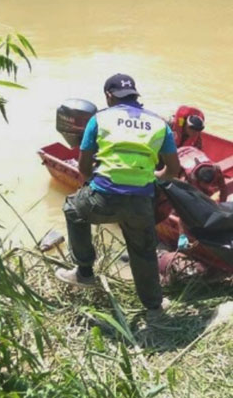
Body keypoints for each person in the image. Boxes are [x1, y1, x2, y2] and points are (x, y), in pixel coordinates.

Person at [55, 73, 181, 316]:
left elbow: (83, 168)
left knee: (73, 209)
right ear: (135, 95)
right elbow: (172, 170)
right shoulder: (159, 124)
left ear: (108, 96)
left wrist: (97, 182)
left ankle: (84, 272)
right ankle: (154, 306)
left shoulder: (99, 119)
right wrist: (149, 180)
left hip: (105, 196)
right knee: (143, 252)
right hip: (141, 201)